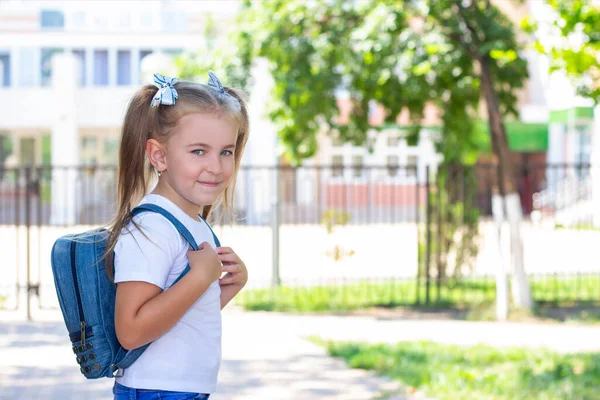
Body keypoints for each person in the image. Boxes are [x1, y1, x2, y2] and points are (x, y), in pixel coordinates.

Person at [103, 71, 249, 399]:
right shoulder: (152, 228)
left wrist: (225, 287)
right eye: (199, 151)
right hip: (157, 390)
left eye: (226, 151)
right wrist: (200, 277)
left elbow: (180, 319)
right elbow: (131, 331)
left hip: (181, 389)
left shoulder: (191, 220)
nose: (217, 166)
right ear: (159, 156)